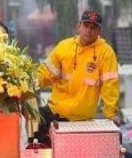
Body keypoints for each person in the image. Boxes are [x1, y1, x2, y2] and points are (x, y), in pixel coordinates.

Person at [35, 9, 121, 141]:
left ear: (100, 31)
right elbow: (44, 74)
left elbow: (110, 85)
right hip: (54, 112)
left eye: (93, 27)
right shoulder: (63, 47)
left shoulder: (106, 53)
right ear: (78, 26)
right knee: (30, 125)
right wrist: (27, 86)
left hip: (81, 122)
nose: (89, 30)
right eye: (86, 26)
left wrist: (111, 114)